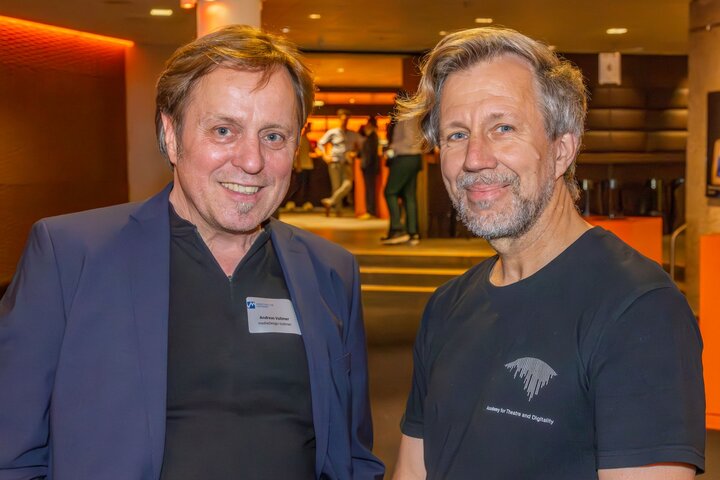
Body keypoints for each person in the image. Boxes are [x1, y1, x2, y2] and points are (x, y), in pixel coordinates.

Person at [0, 25, 384, 480]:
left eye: (273, 136)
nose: (252, 160)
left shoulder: (330, 271)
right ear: (171, 134)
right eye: (223, 130)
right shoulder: (71, 256)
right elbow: (12, 454)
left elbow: (352, 456)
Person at [393, 27, 704, 479]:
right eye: (457, 134)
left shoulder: (639, 309)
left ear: (562, 150)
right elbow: (412, 469)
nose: (475, 158)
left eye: (503, 128)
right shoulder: (447, 305)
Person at [382, 99, 423, 245]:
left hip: (405, 158)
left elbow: (409, 141)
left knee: (390, 192)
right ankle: (412, 232)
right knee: (409, 195)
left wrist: (392, 148)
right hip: (414, 158)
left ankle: (397, 229)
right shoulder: (416, 117)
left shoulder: (406, 118)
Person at [318, 109, 361, 216]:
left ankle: (330, 201)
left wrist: (354, 153)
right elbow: (320, 143)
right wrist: (325, 155)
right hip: (335, 162)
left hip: (347, 163)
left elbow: (360, 146)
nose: (345, 121)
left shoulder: (353, 134)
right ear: (339, 119)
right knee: (336, 186)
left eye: (347, 119)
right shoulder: (333, 132)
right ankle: (338, 210)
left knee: (348, 185)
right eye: (343, 119)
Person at [285, 121, 317, 211]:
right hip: (302, 166)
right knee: (297, 185)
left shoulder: (306, 138)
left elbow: (311, 150)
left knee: (306, 185)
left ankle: (305, 203)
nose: (310, 129)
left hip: (308, 165)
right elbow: (297, 154)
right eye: (309, 127)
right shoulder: (301, 139)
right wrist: (298, 165)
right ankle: (291, 202)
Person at [359, 117, 380, 219]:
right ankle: (370, 211)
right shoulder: (372, 136)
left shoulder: (372, 137)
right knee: (369, 189)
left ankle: (370, 211)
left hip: (369, 167)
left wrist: (365, 165)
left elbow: (370, 154)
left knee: (370, 190)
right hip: (369, 166)